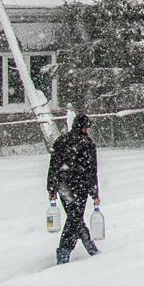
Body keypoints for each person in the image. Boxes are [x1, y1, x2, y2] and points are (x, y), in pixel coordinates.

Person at [47, 113, 100, 264]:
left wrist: (52, 187)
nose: (89, 130)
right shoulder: (87, 143)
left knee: (74, 218)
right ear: (84, 128)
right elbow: (91, 170)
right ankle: (64, 253)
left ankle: (90, 247)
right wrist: (94, 193)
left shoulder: (61, 141)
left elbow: (54, 166)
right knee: (74, 219)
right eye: (88, 127)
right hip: (79, 187)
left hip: (63, 187)